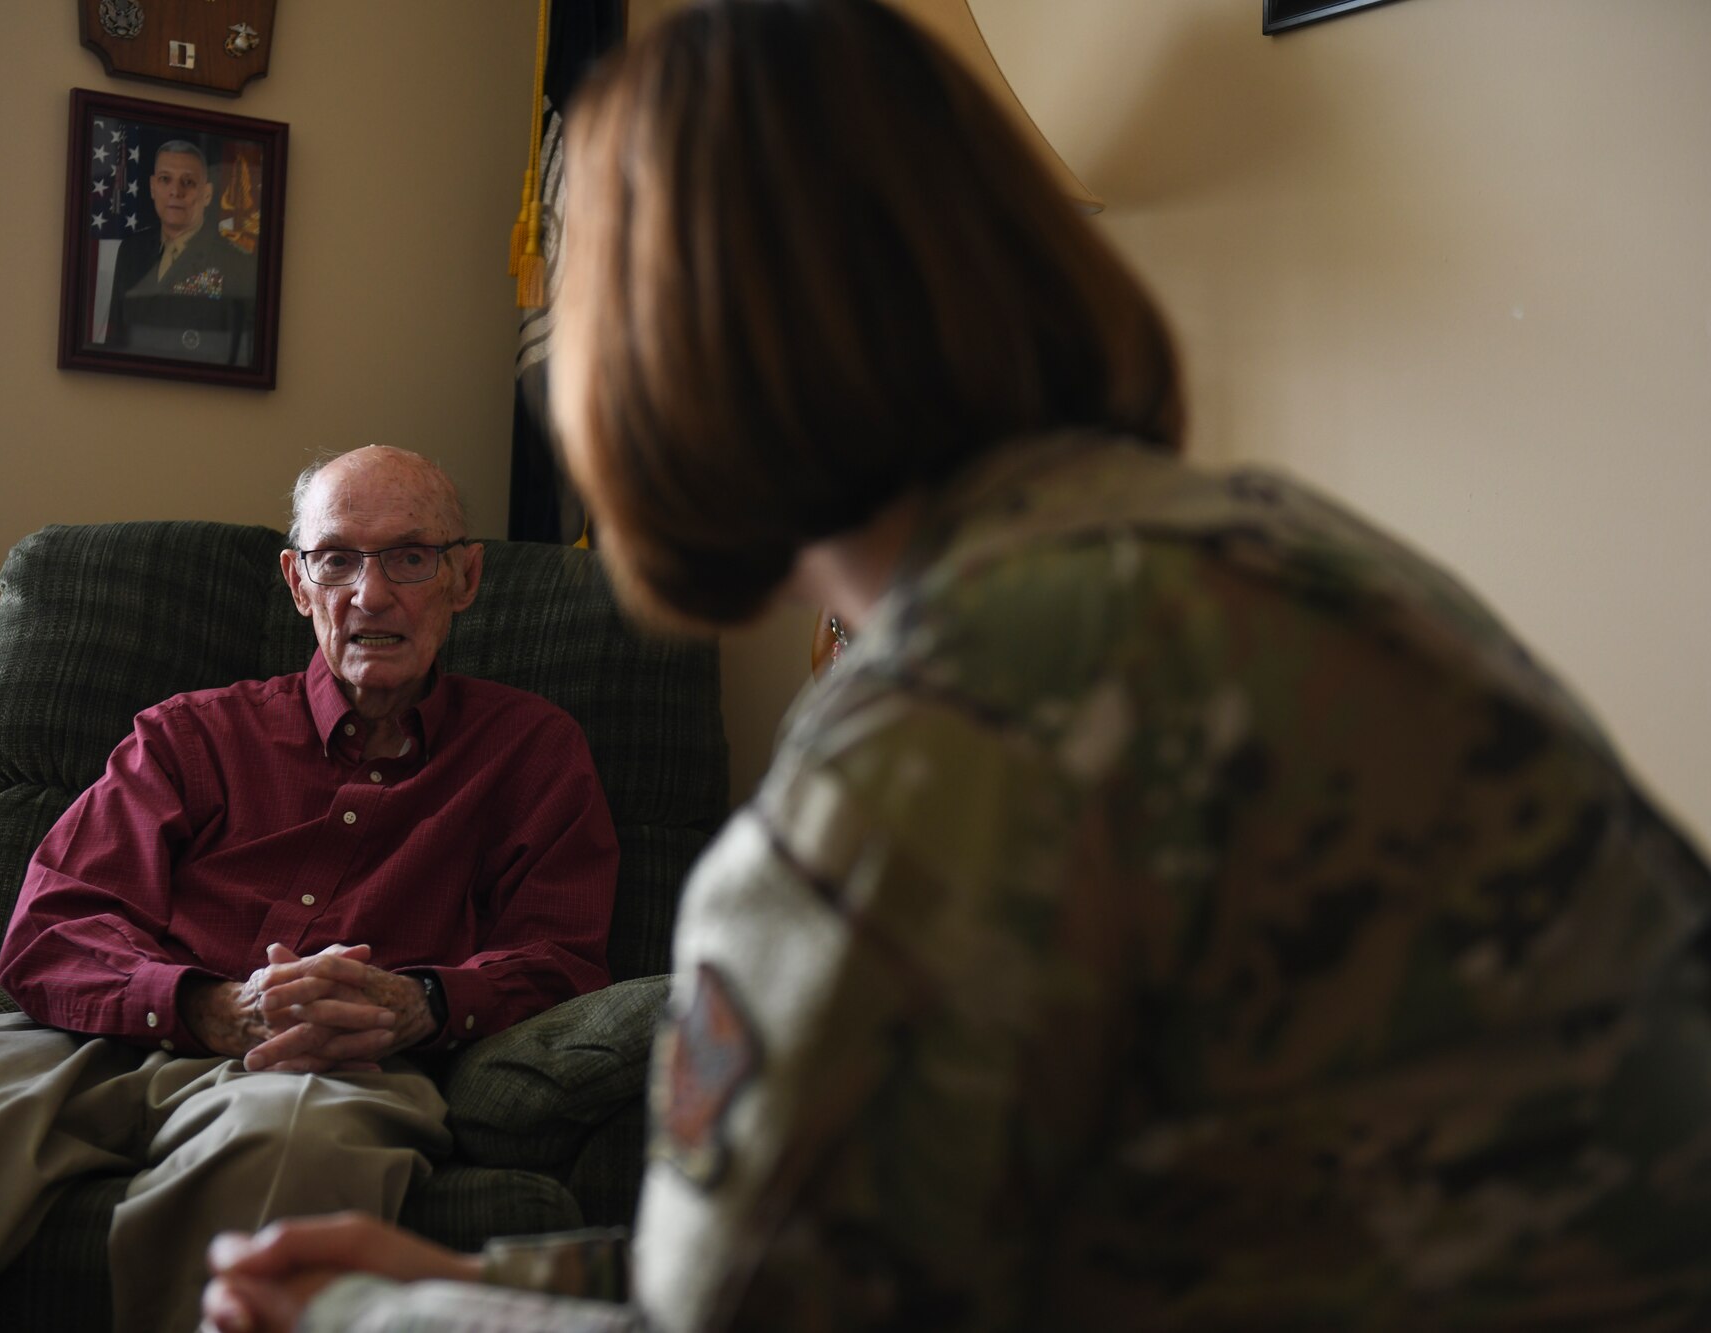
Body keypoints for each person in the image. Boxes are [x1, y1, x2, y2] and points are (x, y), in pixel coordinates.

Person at [200, 3, 1711, 1331]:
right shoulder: (1284, 549)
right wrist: (477, 1286)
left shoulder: (937, 742)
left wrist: (358, 1319)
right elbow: (901, 1258)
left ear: (668, 350)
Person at [0, 446, 619, 1333]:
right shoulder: (191, 735)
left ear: (464, 577)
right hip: (92, 1042)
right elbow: (51, 925)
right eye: (336, 558)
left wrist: (418, 1002)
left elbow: (560, 956)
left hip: (337, 1065)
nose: (370, 595)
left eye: (409, 558)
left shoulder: (530, 752)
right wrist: (209, 1006)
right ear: (298, 583)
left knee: (277, 1180)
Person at [102, 138, 259, 363]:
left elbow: (242, 352)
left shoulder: (235, 261)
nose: (176, 191)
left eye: (188, 182)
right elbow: (117, 336)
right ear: (153, 187)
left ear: (207, 194)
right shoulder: (131, 250)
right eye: (166, 179)